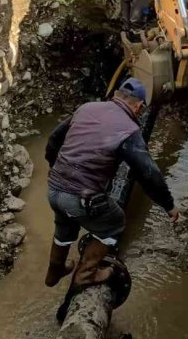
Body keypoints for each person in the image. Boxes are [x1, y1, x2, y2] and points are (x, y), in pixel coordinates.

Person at [43, 77, 179, 287]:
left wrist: (56, 170)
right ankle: (86, 275)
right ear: (138, 106)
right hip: (80, 196)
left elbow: (53, 140)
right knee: (114, 222)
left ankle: (54, 272)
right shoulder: (128, 130)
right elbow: (148, 173)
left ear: (116, 95)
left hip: (54, 189)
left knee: (64, 225)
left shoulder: (87, 108)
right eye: (141, 109)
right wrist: (168, 205)